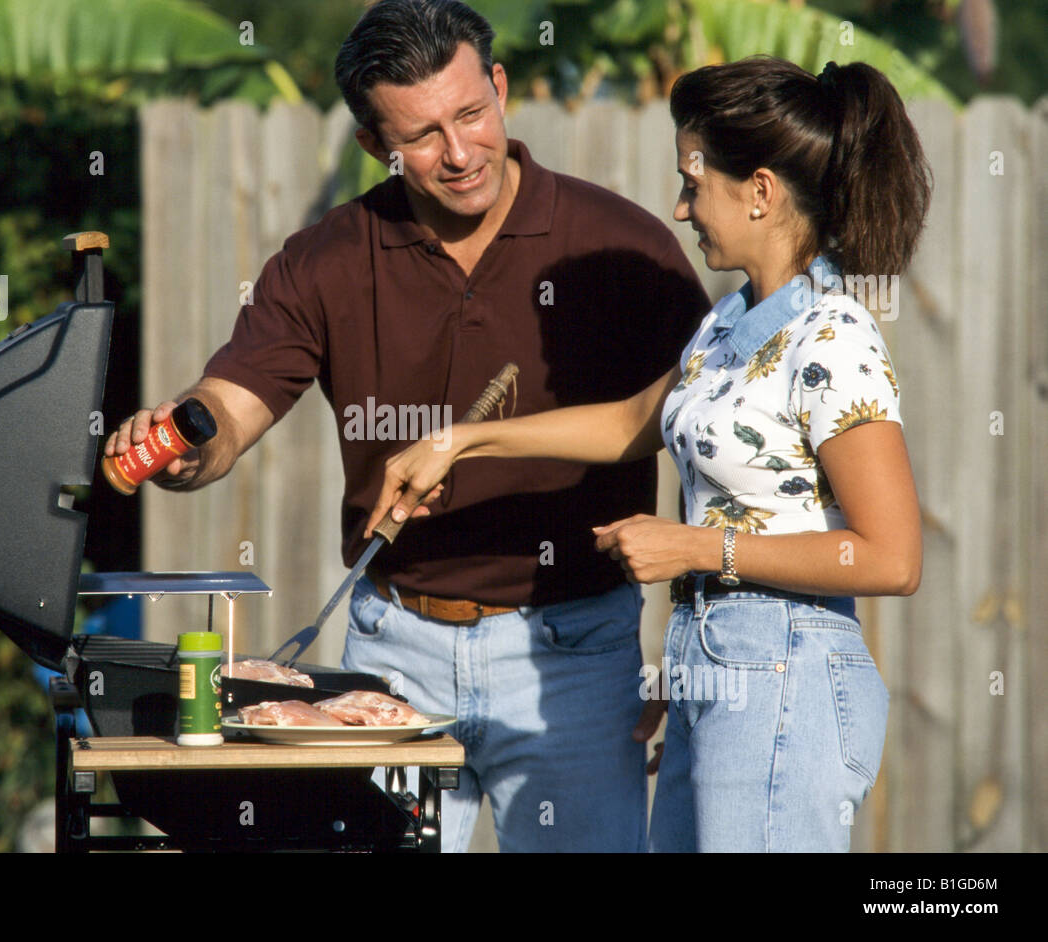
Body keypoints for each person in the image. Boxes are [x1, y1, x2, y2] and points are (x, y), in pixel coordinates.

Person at [105, 0, 710, 852]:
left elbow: (706, 447)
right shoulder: (324, 260)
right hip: (392, 652)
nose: (460, 154)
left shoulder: (620, 245)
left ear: (500, 88)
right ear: (372, 146)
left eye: (471, 114)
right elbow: (231, 408)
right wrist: (183, 443)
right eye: (422, 135)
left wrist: (674, 652)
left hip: (577, 651)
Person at [366, 56, 930, 852]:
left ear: (760, 191)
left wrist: (693, 548)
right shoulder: (731, 322)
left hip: (789, 677)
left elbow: (892, 558)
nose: (680, 206)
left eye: (693, 183)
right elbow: (636, 418)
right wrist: (464, 440)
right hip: (717, 672)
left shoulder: (833, 337)